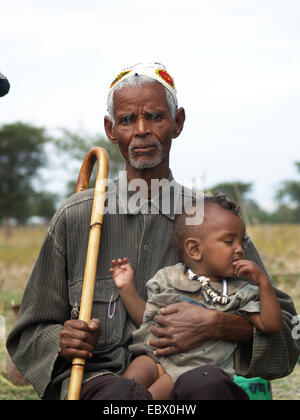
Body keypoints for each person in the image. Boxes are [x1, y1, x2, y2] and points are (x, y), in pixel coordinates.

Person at [6, 62, 300, 400]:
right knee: (118, 398)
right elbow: (27, 333)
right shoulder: (77, 217)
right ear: (110, 129)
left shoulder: (212, 220)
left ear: (178, 123)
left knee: (208, 388)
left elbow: (289, 334)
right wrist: (61, 339)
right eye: (128, 120)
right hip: (95, 382)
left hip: (187, 377)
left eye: (156, 117)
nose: (142, 130)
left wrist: (217, 324)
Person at [110, 194, 283, 400]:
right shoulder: (169, 279)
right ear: (194, 249)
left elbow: (270, 325)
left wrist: (263, 284)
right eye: (229, 241)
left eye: (242, 243)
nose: (239, 249)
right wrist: (126, 288)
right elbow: (147, 318)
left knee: (150, 398)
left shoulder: (239, 292)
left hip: (193, 368)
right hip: (154, 357)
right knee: (129, 383)